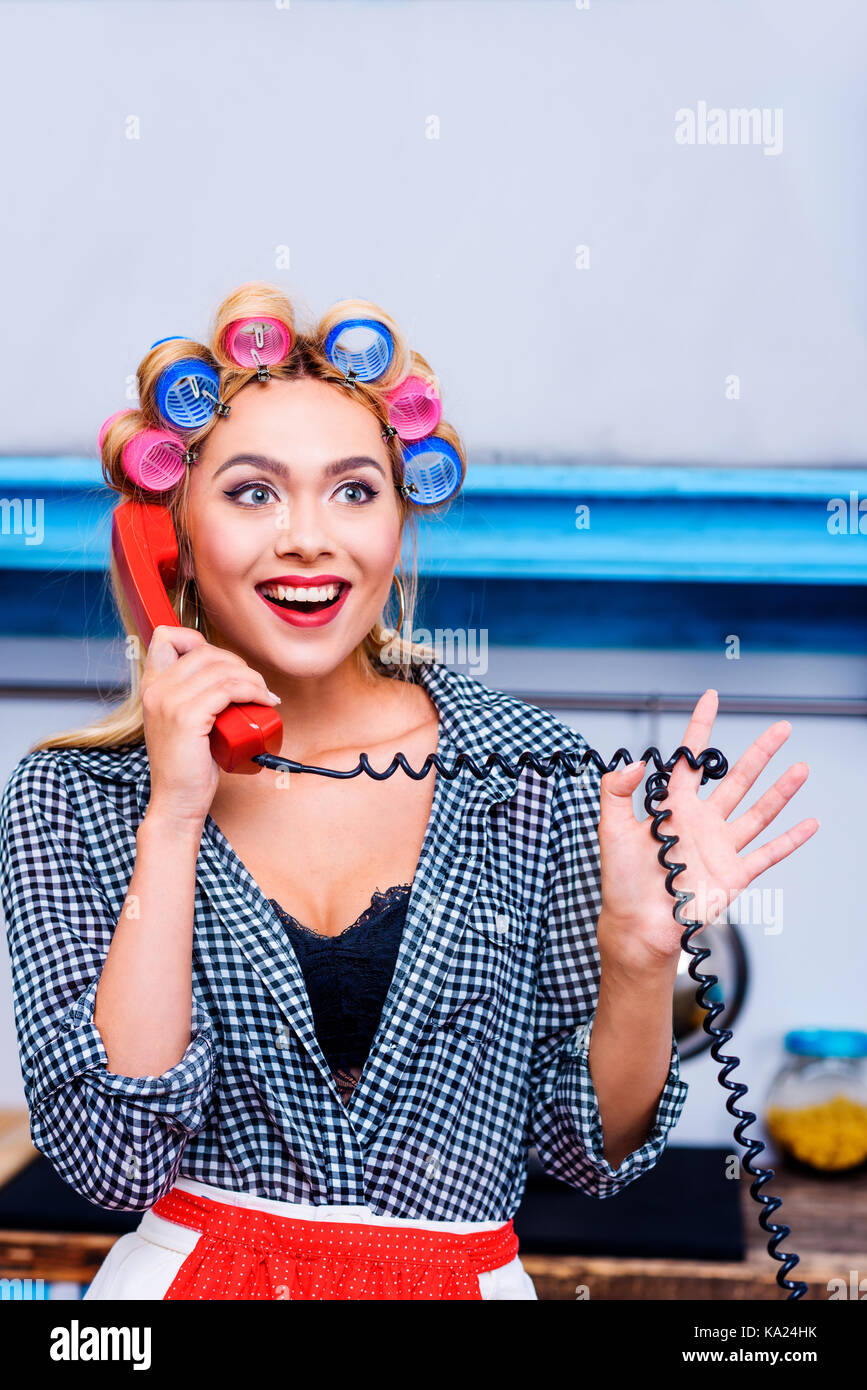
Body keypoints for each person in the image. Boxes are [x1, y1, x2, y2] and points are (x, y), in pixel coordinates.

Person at [0, 282, 819, 1300]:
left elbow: (583, 1151)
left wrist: (642, 958)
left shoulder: (531, 770)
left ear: (399, 521)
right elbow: (113, 1157)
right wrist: (173, 814)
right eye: (253, 492)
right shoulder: (72, 796)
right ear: (168, 534)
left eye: (353, 490)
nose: (309, 536)